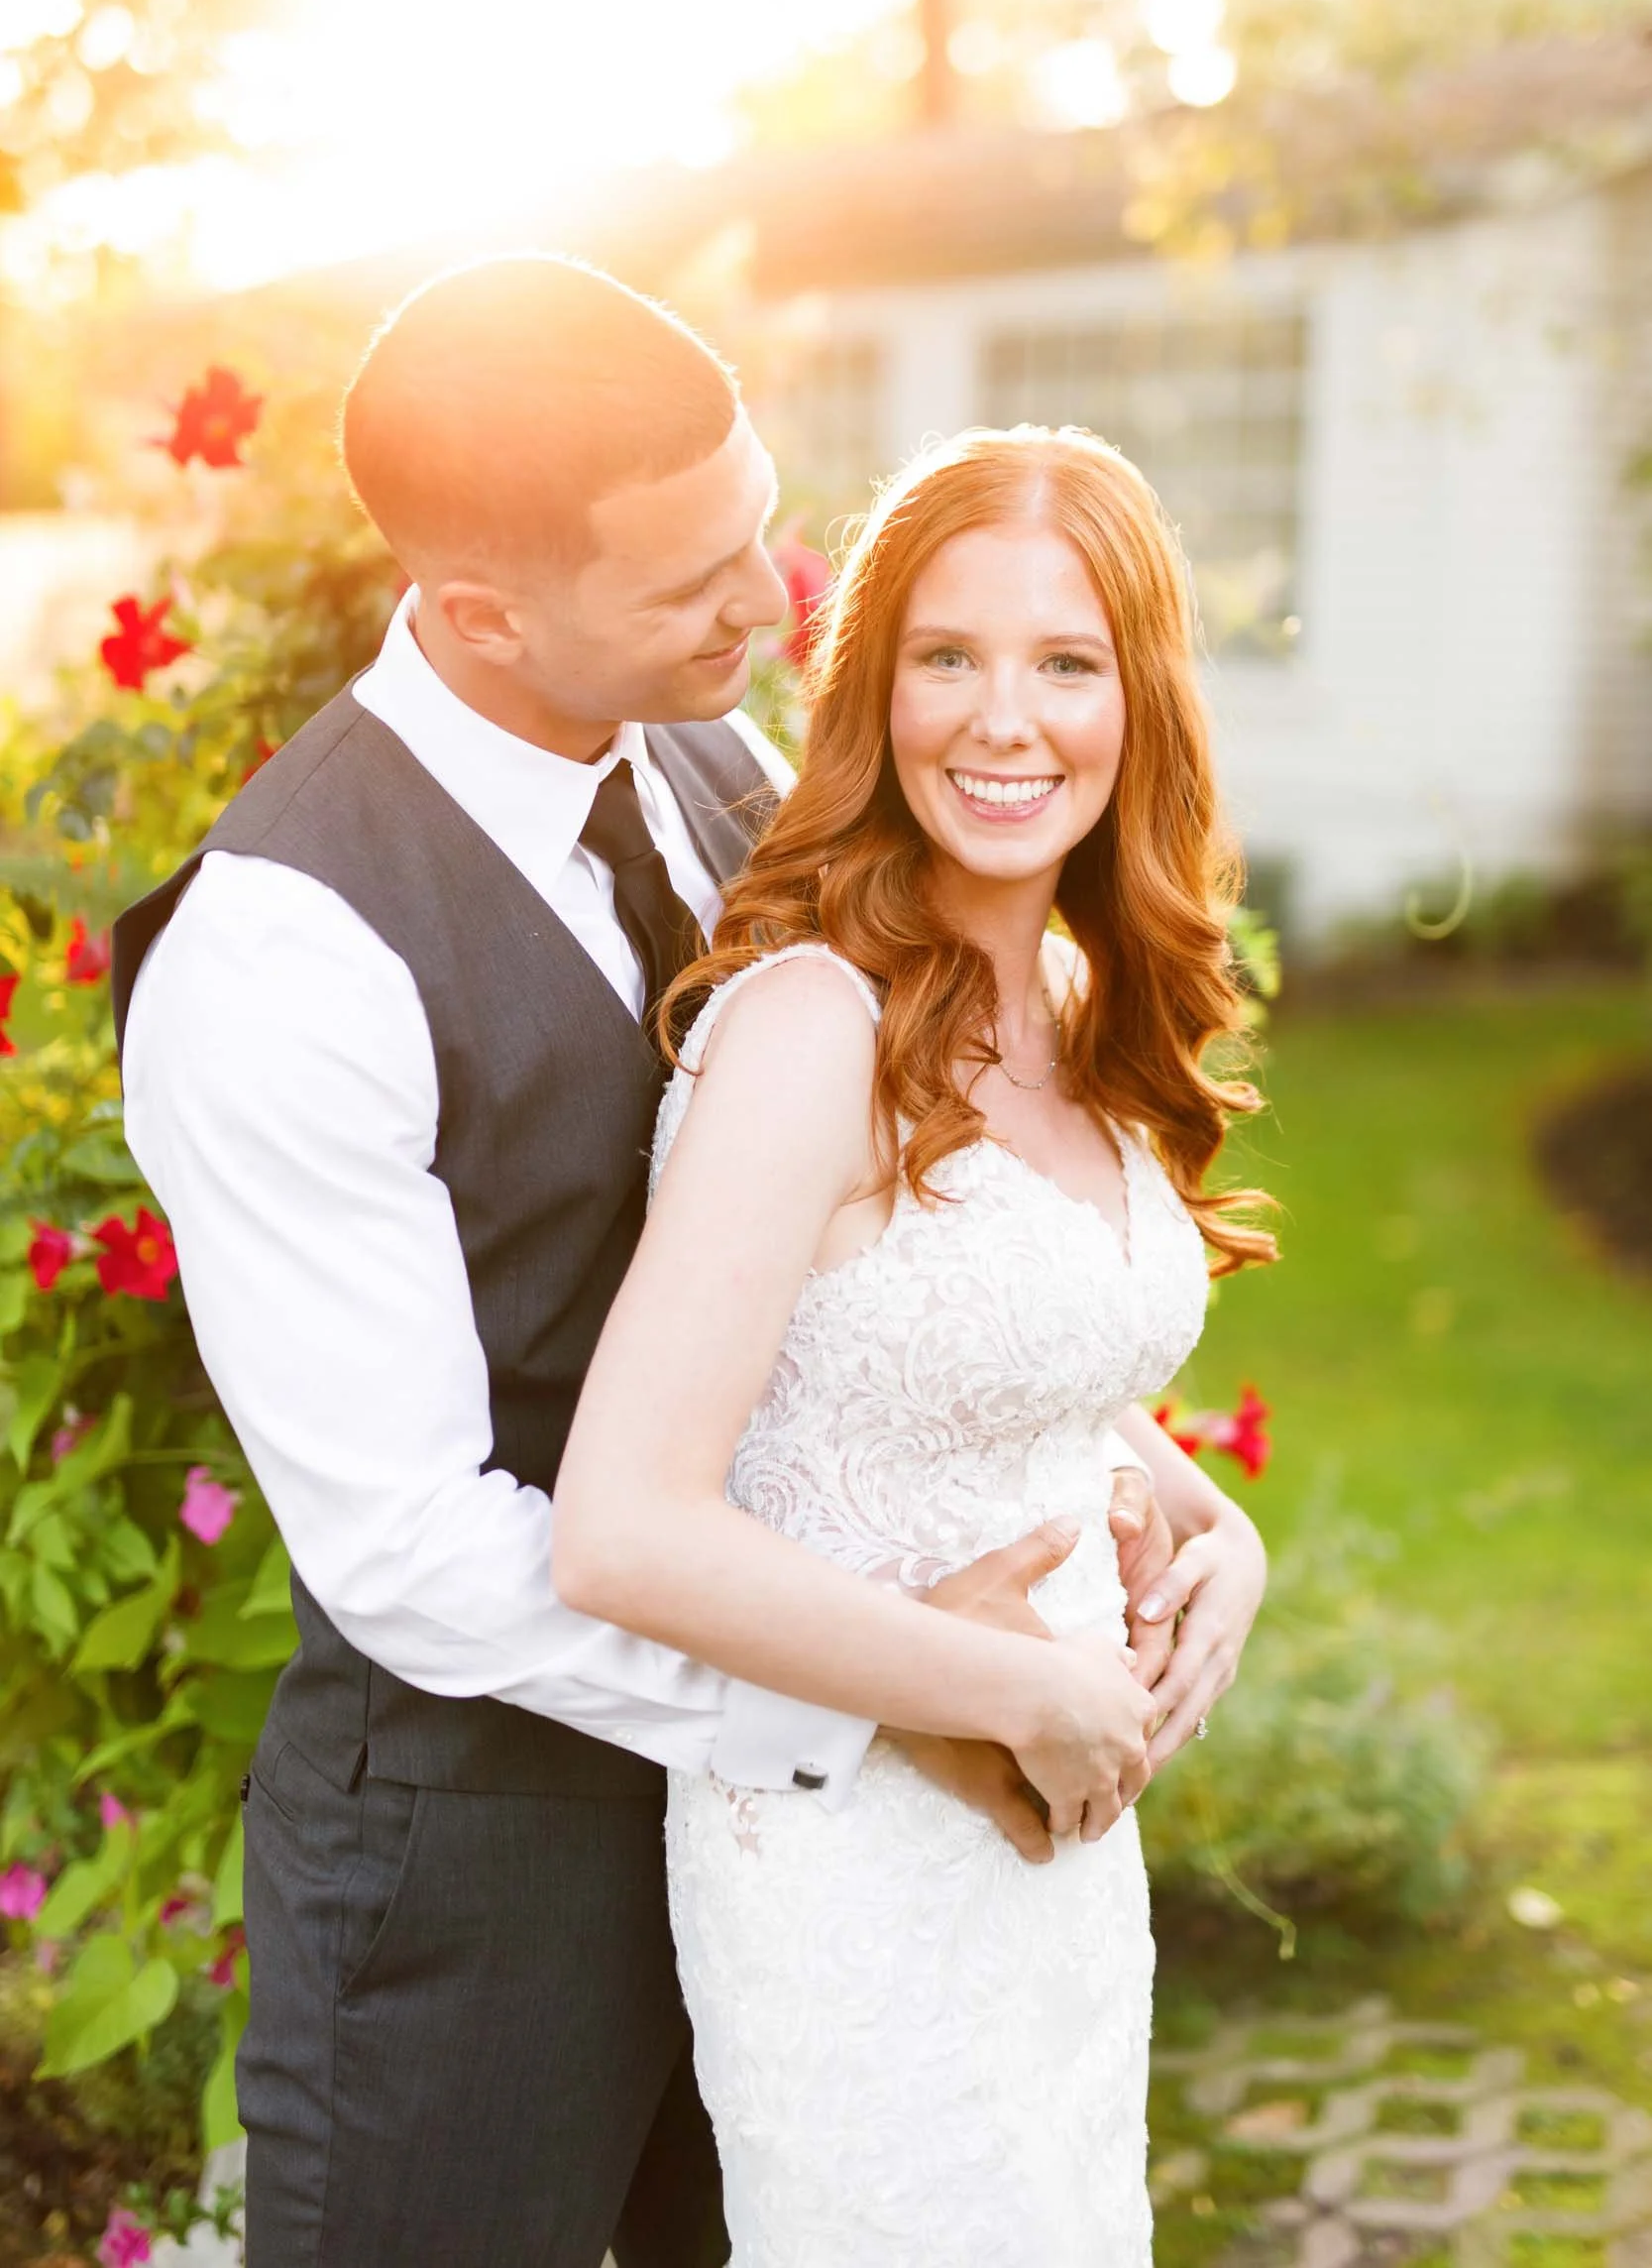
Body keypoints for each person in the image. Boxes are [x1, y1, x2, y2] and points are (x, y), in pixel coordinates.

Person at [109, 258, 1232, 2268]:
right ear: (477, 615)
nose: (774, 603)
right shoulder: (284, 961)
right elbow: (410, 1546)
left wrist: (1134, 1476)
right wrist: (880, 1693)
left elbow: (848, 1272)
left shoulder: (721, 776)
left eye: (761, 527)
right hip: (479, 1875)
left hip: (812, 1870)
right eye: (697, 580)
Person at [552, 423, 1275, 2267]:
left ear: (1141, 702)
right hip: (855, 1881)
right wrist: (1011, 1689)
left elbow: (997, 1369)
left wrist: (1220, 1535)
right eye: (948, 655)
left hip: (1051, 1875)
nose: (1001, 719)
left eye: (1065, 661)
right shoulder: (809, 1026)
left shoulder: (1070, 993)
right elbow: (623, 1527)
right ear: (872, 685)